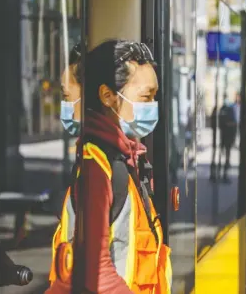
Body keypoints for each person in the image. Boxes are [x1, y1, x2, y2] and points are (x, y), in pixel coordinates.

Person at [47, 40, 172, 294]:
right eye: (146, 97)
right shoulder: (99, 163)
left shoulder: (126, 158)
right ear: (107, 96)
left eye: (155, 97)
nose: (152, 106)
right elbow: (95, 272)